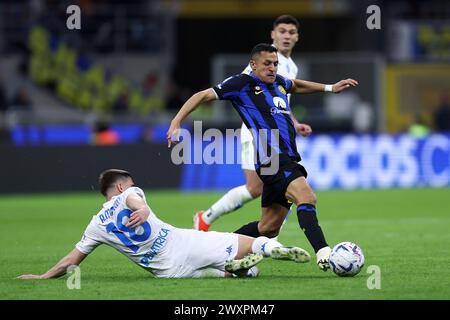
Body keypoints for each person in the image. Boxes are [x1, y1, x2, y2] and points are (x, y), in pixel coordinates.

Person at [167, 44, 358, 271]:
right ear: (253, 65)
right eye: (267, 63)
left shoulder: (278, 83)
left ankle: (218, 252)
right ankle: (325, 253)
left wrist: (329, 88)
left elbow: (295, 85)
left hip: (284, 159)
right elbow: (202, 95)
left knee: (268, 228)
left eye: (275, 64)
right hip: (273, 159)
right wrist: (176, 122)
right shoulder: (241, 84)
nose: (272, 68)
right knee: (307, 197)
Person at [17, 169, 311, 280]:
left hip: (167, 272)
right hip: (182, 243)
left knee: (245, 274)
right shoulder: (130, 194)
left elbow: (73, 259)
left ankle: (238, 271)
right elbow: (136, 201)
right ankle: (273, 249)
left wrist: (43, 277)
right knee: (255, 243)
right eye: (132, 184)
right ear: (120, 187)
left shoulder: (95, 226)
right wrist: (143, 208)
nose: (136, 187)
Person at [192, 15, 312, 233]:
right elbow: (247, 92)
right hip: (256, 132)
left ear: (297, 37)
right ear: (272, 34)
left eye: (291, 32)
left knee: (263, 187)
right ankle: (210, 219)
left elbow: (279, 101)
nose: (286, 36)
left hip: (276, 134)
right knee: (262, 186)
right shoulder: (265, 62)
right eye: (282, 31)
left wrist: (294, 122)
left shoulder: (289, 66)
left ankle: (257, 236)